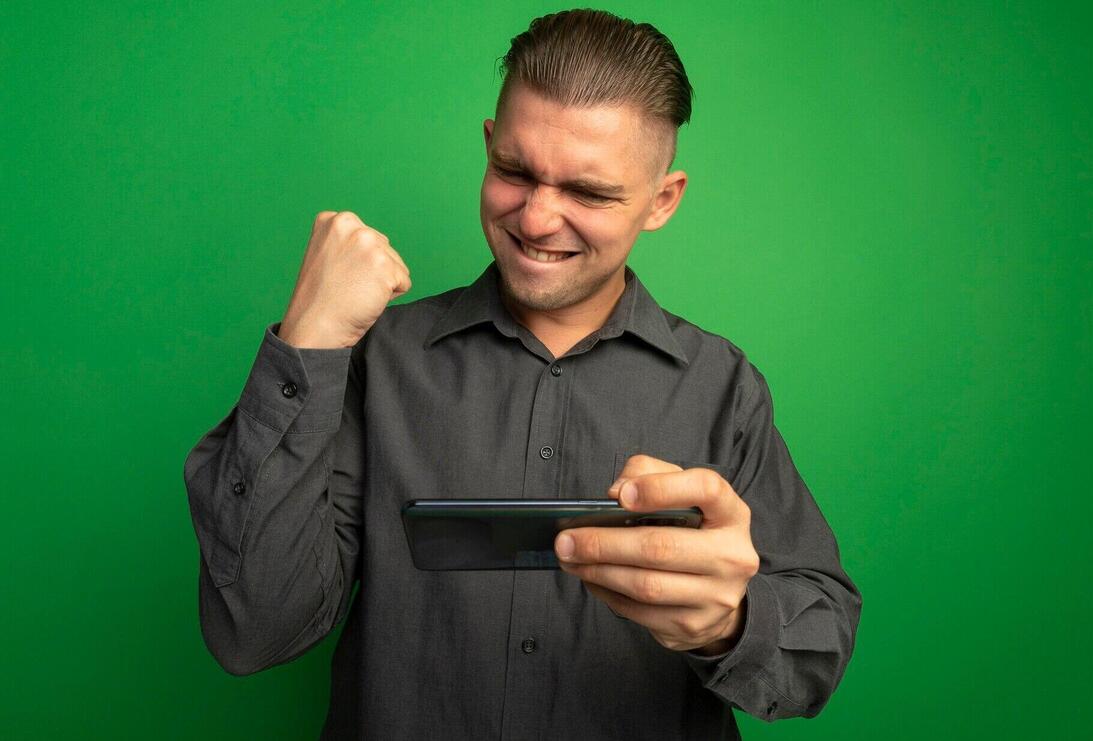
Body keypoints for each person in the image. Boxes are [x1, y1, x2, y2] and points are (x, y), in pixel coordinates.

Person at [183, 8, 861, 740]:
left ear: (661, 200)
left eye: (589, 193)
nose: (537, 219)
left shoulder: (722, 387)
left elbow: (815, 657)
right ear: (487, 144)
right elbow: (253, 630)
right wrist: (307, 341)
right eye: (514, 170)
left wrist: (730, 622)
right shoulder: (377, 361)